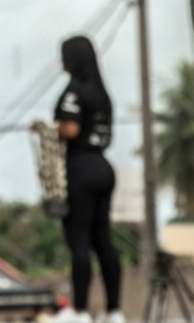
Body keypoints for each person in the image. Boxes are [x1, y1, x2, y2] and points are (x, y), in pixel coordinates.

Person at [51, 35, 123, 323]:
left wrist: (51, 129)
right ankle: (114, 310)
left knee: (79, 240)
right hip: (104, 167)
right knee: (103, 239)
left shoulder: (74, 90)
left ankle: (79, 311)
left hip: (81, 167)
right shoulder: (103, 94)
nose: (61, 62)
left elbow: (70, 128)